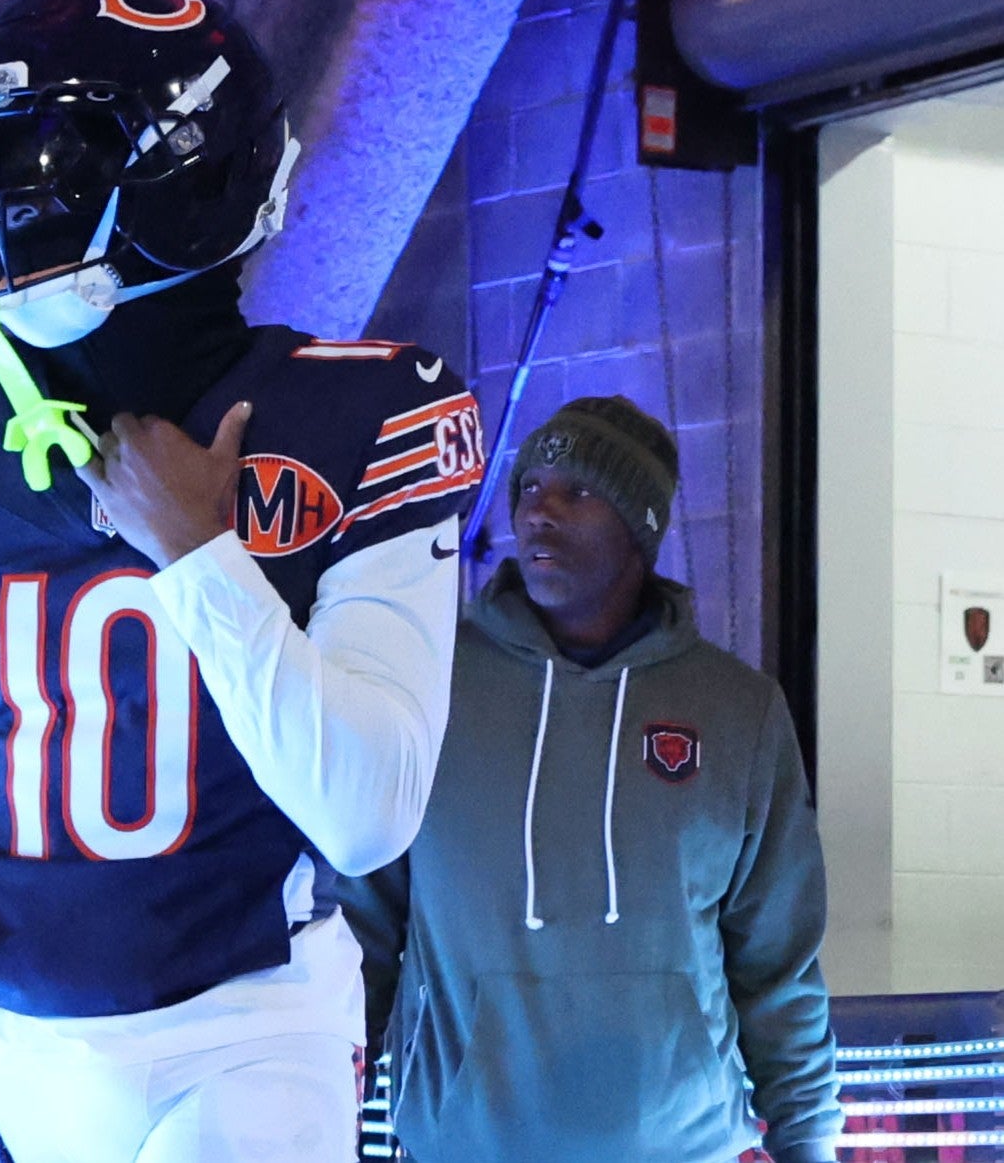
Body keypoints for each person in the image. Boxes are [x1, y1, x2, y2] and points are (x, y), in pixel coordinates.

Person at [0, 0, 484, 1163]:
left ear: (193, 184)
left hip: (247, 1024)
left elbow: (366, 814)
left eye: (48, 170)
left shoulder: (366, 410)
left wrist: (200, 554)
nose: (5, 214)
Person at [342, 396, 843, 1163]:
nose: (539, 511)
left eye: (577, 491)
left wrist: (807, 1138)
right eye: (530, 487)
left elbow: (778, 961)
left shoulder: (738, 711)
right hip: (464, 1144)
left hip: (682, 1147)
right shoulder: (432, 683)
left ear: (640, 526)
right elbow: (362, 925)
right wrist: (323, 1102)